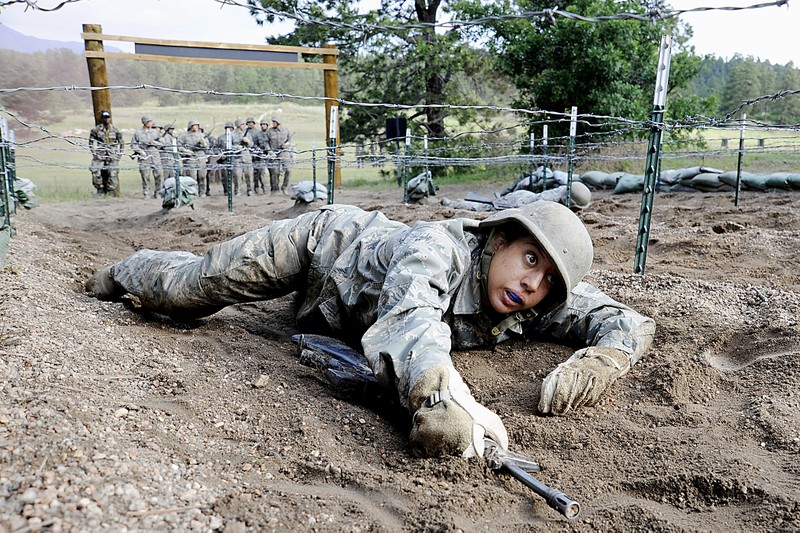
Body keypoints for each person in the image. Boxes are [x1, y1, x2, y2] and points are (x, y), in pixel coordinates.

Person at [86, 202, 654, 459]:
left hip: (337, 321)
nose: (533, 284)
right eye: (530, 259)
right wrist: (441, 391)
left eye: (549, 280)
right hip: (321, 249)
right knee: (183, 295)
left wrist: (605, 360)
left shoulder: (529, 301)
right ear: (500, 239)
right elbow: (410, 317)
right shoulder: (440, 248)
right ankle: (124, 269)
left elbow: (623, 318)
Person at [441, 181, 593, 212]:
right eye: (577, 208)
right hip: (518, 201)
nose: (578, 212)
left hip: (526, 196)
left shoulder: (563, 191)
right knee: (482, 208)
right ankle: (453, 203)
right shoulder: (548, 203)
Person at [88, 110, 124, 196]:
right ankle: (99, 189)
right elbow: (90, 142)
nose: (107, 119)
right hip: (100, 154)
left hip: (112, 154)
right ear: (102, 119)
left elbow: (121, 143)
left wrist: (119, 155)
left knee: (113, 172)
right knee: (95, 169)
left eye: (108, 117)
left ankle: (111, 191)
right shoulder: (96, 130)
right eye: (105, 117)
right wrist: (94, 153)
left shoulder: (115, 130)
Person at [130, 115, 164, 199]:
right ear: (145, 122)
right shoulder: (137, 133)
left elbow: (162, 142)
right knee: (145, 175)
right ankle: (146, 193)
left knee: (159, 174)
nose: (152, 123)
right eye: (150, 121)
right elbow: (133, 144)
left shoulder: (155, 132)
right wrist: (139, 151)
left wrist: (156, 143)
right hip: (144, 156)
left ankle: (158, 192)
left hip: (154, 154)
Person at [179, 120, 210, 196]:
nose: (196, 127)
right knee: (192, 177)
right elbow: (179, 145)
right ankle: (192, 192)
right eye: (194, 125)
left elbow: (207, 147)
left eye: (197, 125)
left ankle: (202, 192)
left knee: (202, 176)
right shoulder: (184, 136)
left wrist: (204, 144)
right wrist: (184, 150)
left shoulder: (202, 135)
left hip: (201, 157)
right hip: (190, 158)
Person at [265, 115, 294, 195]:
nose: (273, 123)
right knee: (275, 172)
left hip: (285, 153)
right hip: (274, 154)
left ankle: (284, 187)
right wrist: (269, 151)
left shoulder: (286, 130)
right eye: (272, 122)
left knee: (288, 170)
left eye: (274, 122)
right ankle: (275, 189)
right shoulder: (269, 131)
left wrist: (287, 144)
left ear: (279, 122)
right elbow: (266, 142)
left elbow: (290, 141)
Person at [251, 117, 271, 195]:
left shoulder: (270, 133)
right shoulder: (258, 134)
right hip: (260, 155)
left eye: (264, 124)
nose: (263, 126)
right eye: (262, 124)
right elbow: (254, 144)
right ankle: (262, 188)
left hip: (269, 154)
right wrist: (258, 149)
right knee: (260, 172)